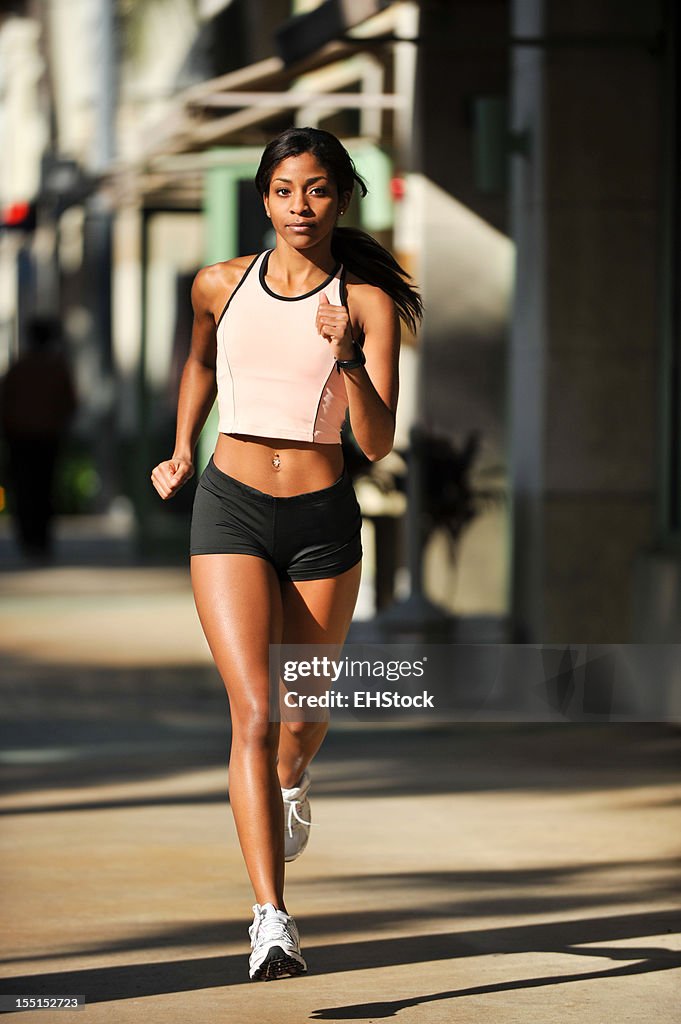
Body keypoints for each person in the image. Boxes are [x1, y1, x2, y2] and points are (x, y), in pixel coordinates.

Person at [150, 126, 422, 981]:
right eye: (282, 190)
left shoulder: (368, 301)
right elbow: (198, 362)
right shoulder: (218, 283)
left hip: (321, 520)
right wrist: (183, 446)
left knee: (298, 725)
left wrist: (343, 353)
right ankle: (270, 918)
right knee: (255, 714)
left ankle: (293, 780)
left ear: (340, 197)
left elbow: (374, 444)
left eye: (314, 190)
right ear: (262, 197)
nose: (298, 207)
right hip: (228, 508)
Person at [0, 315, 77, 560]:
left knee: (24, 488)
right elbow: (69, 402)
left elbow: (5, 401)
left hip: (21, 436)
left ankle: (29, 538)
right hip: (46, 436)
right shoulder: (56, 369)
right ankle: (40, 539)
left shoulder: (19, 368)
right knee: (44, 488)